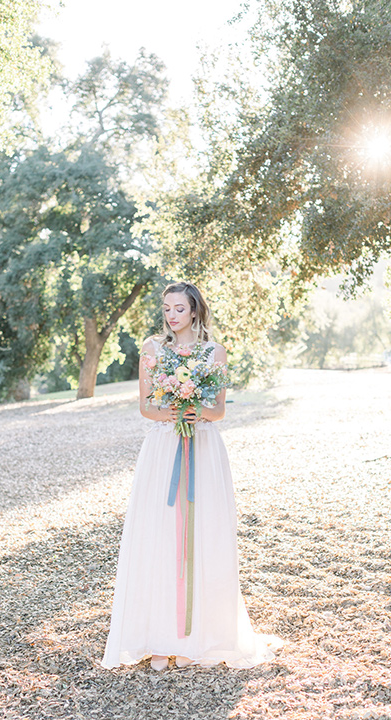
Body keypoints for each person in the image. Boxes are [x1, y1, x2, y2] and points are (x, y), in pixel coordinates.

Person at [101, 281, 283, 670]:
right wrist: (169, 412)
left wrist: (195, 409)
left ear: (195, 311)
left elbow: (218, 411)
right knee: (162, 535)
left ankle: (194, 636)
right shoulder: (151, 350)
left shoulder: (214, 352)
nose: (171, 315)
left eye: (179, 309)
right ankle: (159, 636)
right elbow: (146, 406)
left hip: (201, 445)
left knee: (201, 535)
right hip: (164, 447)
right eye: (166, 308)